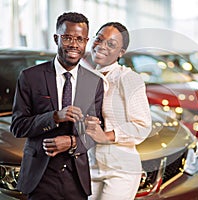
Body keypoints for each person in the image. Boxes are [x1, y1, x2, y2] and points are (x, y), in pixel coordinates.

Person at [10, 12, 104, 200]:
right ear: (56, 38)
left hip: (76, 179)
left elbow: (96, 133)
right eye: (67, 37)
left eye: (79, 39)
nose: (74, 45)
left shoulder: (94, 82)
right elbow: (17, 126)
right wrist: (54, 117)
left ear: (86, 41)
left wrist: (72, 142)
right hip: (40, 178)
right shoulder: (30, 77)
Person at [85, 22, 152, 200]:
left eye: (111, 44)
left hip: (121, 169)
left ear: (121, 53)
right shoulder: (87, 78)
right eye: (99, 39)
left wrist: (106, 136)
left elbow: (142, 126)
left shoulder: (127, 78)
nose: (101, 46)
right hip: (91, 166)